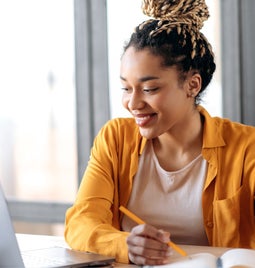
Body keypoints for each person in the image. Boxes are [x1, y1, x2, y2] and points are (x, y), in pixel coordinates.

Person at [64, 0, 255, 265]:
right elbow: (80, 222)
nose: (133, 103)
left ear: (192, 85)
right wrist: (125, 245)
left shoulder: (247, 148)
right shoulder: (115, 138)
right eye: (126, 88)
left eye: (150, 89)